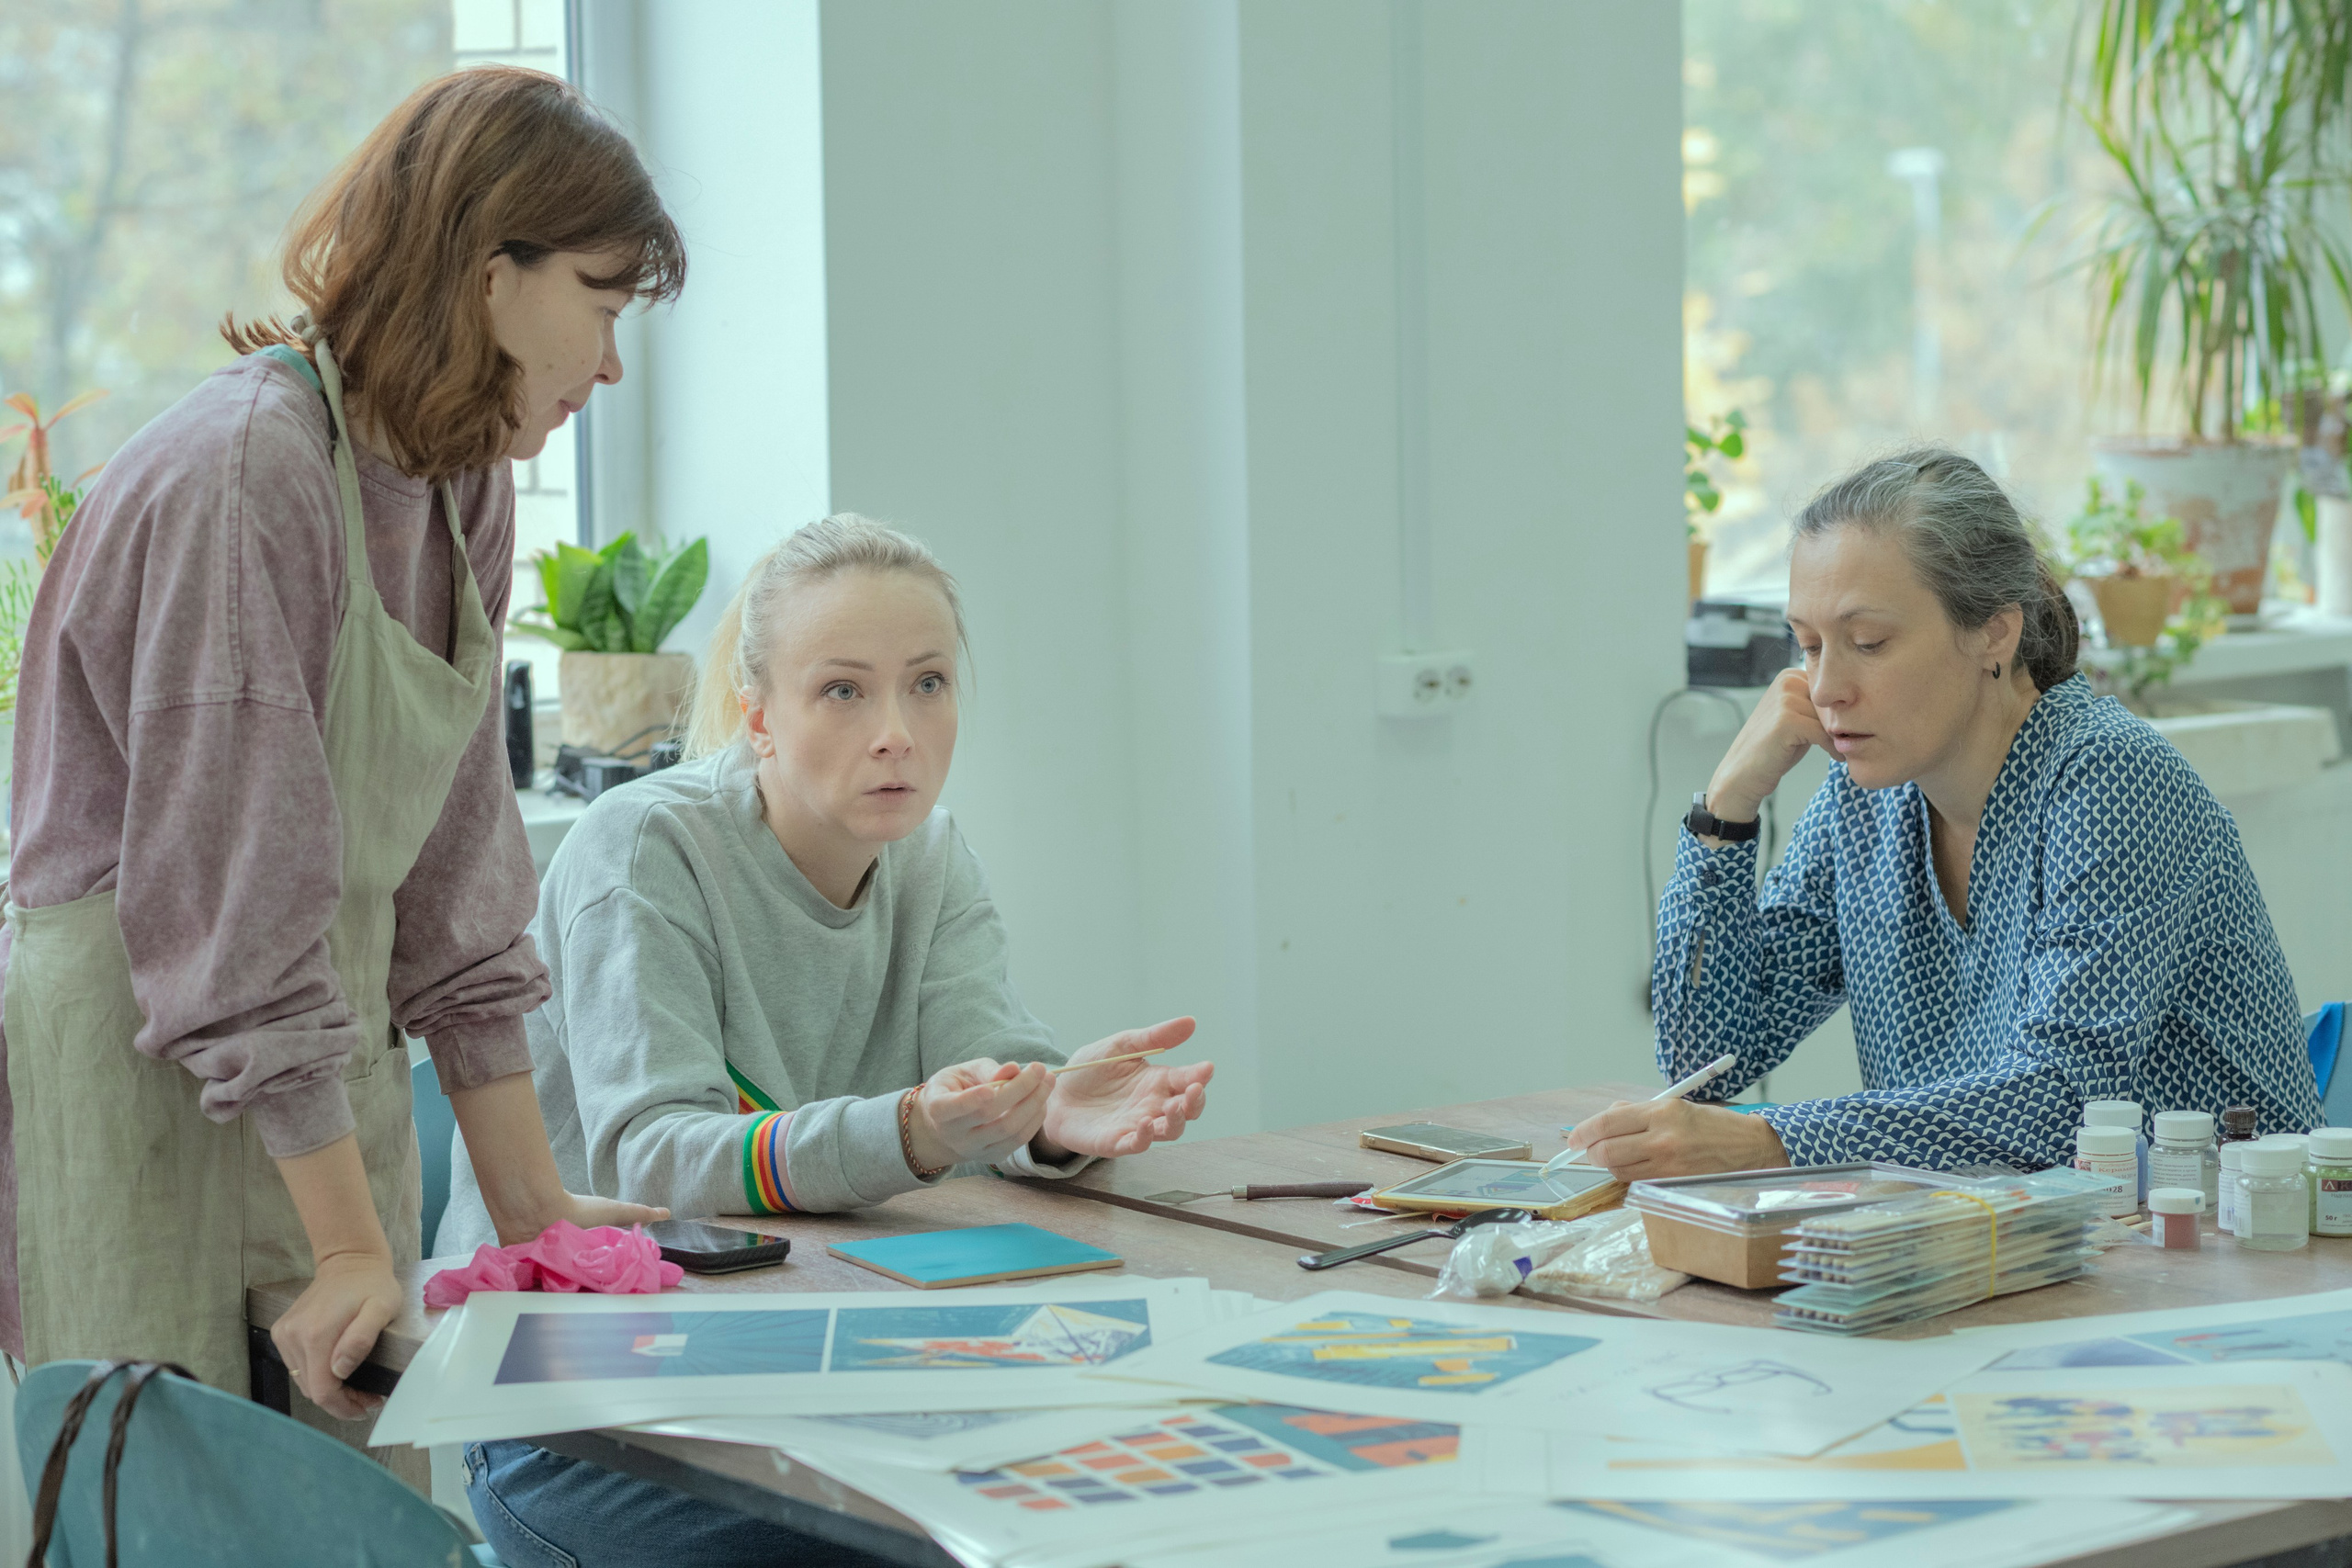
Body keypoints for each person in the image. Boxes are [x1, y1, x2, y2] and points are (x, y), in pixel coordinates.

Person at [2, 67, 679, 1424]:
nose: (610, 363)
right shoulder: (244, 473)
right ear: (494, 273)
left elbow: (458, 874)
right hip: (148, 1091)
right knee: (185, 1496)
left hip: (316, 1081)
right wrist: (351, 1241)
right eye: (601, 304)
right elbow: (230, 911)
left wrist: (530, 1203)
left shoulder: (458, 482)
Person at [445, 514, 1214, 1568]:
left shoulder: (931, 856)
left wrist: (1048, 1113)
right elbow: (654, 1157)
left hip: (811, 1372)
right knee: (947, 1545)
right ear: (759, 717)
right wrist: (906, 1132)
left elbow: (984, 1057)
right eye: (844, 690)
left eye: (928, 684)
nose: (896, 730)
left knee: (1124, 1490)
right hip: (579, 1420)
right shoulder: (642, 847)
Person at [1568, 447, 2321, 1180]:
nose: (1826, 687)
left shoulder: (2110, 778)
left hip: (2238, 1249)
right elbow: (1707, 1061)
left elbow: (2062, 1103)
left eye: (1868, 642)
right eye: (1807, 645)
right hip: (2014, 1251)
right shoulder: (1861, 801)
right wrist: (1726, 809)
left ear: (1995, 630)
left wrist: (1766, 1141)